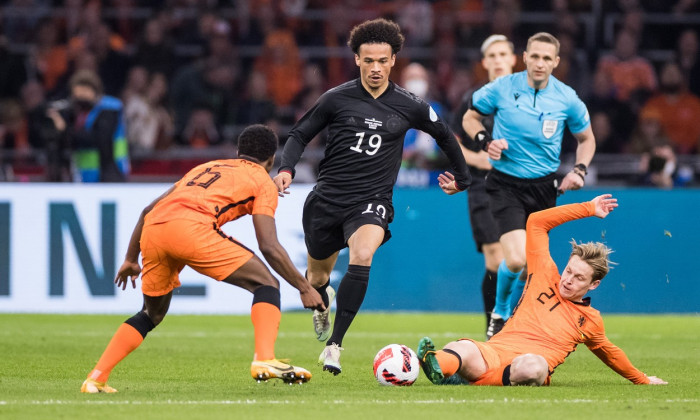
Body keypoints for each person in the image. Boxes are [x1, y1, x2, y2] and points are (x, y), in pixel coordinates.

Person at [273, 18, 472, 375]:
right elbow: (300, 134)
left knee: (363, 255)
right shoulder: (336, 98)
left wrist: (463, 178)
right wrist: (286, 168)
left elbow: (444, 135)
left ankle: (334, 346)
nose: (376, 68)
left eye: (383, 60)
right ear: (357, 60)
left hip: (372, 200)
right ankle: (322, 302)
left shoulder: (410, 104)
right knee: (317, 279)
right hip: (327, 201)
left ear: (394, 60)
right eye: (369, 61)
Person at [80, 124, 325, 393]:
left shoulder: (206, 167)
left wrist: (130, 259)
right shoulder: (262, 181)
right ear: (271, 160)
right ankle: (265, 358)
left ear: (237, 152)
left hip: (154, 230)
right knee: (266, 284)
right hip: (192, 229)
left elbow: (147, 209)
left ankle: (95, 378)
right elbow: (268, 246)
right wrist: (304, 287)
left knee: (151, 313)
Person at [417, 194, 668, 387]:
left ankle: (460, 378)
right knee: (463, 348)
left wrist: (642, 379)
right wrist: (588, 208)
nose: (568, 280)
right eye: (569, 270)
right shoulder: (545, 272)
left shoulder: (591, 321)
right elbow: (536, 222)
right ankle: (434, 364)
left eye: (579, 277)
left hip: (525, 365)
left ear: (594, 284)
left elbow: (610, 354)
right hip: (494, 352)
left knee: (534, 367)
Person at [461, 32, 596, 339]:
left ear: (556, 62)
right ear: (524, 57)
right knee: (517, 258)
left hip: (544, 189)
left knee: (529, 269)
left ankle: (518, 321)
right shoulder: (502, 88)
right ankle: (500, 312)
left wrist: (579, 171)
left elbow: (586, 139)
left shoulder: (567, 98)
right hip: (505, 185)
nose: (540, 63)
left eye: (547, 58)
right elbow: (470, 117)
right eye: (534, 56)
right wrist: (485, 141)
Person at [451, 34, 516, 334]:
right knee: (496, 256)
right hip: (484, 188)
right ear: (484, 63)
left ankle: (517, 325)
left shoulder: (529, 97)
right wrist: (477, 160)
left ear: (514, 59)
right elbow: (449, 140)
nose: (498, 60)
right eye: (493, 55)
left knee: (520, 261)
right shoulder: (473, 99)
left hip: (522, 188)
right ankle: (495, 325)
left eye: (503, 54)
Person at [48, 69, 130, 182]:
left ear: (94, 91)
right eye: (77, 96)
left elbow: (100, 139)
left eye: (84, 93)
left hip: (110, 174)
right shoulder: (78, 112)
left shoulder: (109, 109)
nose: (81, 100)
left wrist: (65, 128)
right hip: (83, 175)